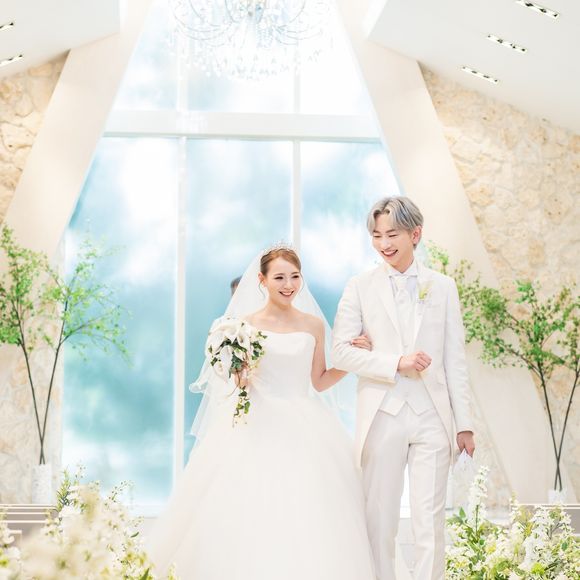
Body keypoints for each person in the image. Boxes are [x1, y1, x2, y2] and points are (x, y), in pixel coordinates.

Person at [146, 246, 376, 580]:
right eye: (279, 277)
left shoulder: (313, 325)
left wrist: (352, 358)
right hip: (254, 424)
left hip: (304, 426)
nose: (288, 285)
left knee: (307, 510)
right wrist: (237, 371)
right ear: (262, 280)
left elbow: (319, 381)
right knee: (247, 508)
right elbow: (238, 381)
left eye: (295, 276)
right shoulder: (242, 326)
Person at [332, 197, 475, 580]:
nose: (383, 243)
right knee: (380, 519)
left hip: (433, 417)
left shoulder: (443, 287)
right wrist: (395, 361)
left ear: (415, 234)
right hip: (383, 414)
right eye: (376, 235)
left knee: (430, 521)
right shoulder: (359, 286)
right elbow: (340, 352)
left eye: (391, 234)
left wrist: (464, 424)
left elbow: (455, 359)